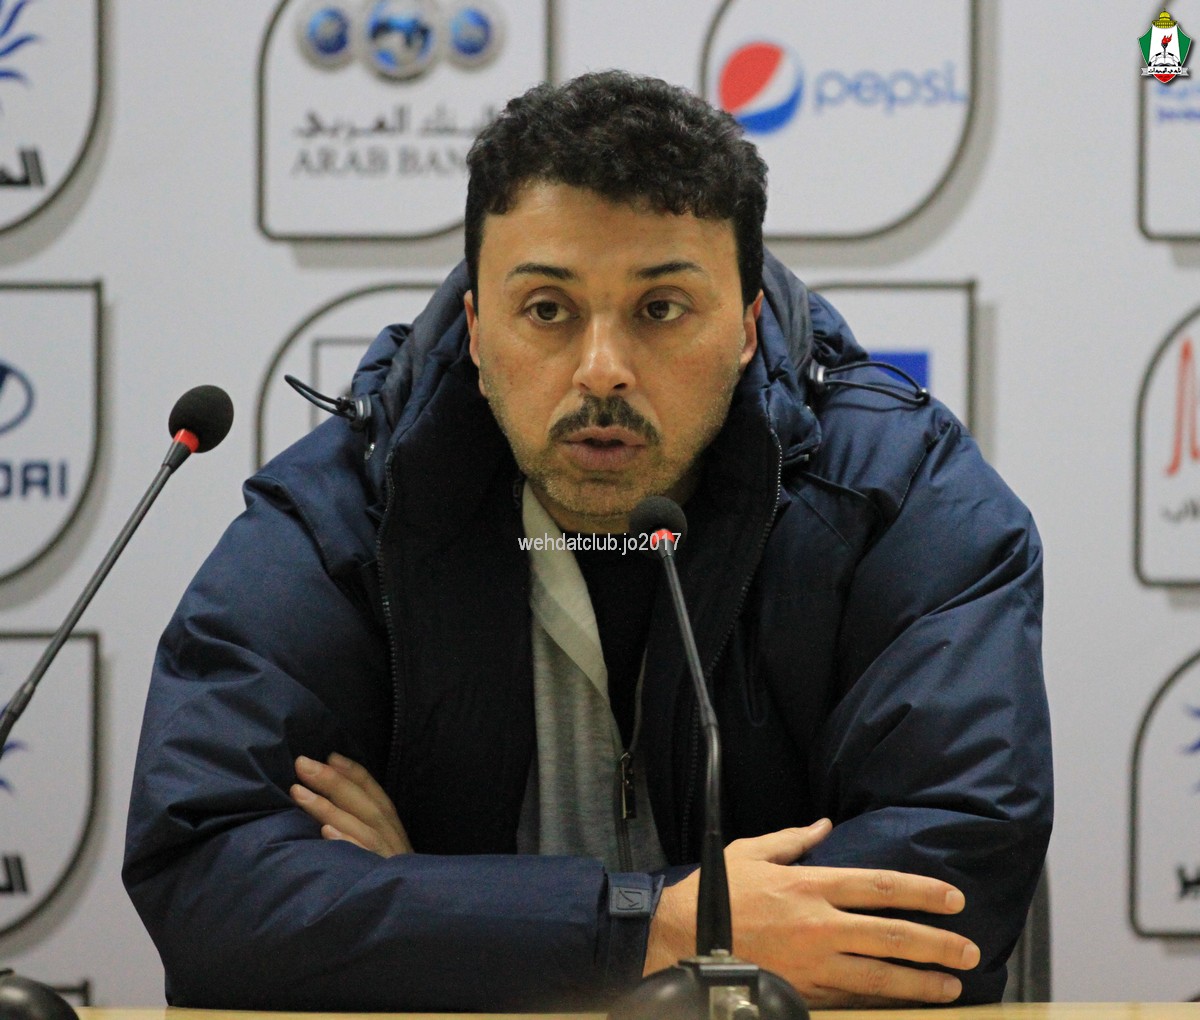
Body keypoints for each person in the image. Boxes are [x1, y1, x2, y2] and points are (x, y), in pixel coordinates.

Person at [123, 70, 1052, 1011]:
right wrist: (661, 930)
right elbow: (207, 883)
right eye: (547, 310)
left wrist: (435, 911)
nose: (602, 370)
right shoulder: (351, 513)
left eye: (661, 309)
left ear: (746, 327)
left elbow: (950, 883)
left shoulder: (896, 496)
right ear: (478, 330)